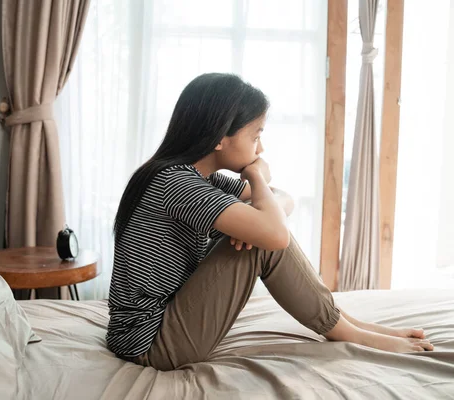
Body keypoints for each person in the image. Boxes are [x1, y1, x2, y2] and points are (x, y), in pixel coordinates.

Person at [106, 73, 433, 371]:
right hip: (150, 344)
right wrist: (258, 177)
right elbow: (276, 234)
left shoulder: (200, 180)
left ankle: (349, 324)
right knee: (260, 243)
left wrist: (261, 202)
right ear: (220, 137)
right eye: (256, 135)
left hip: (159, 327)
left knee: (260, 232)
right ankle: (347, 331)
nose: (261, 148)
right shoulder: (175, 184)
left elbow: (283, 200)